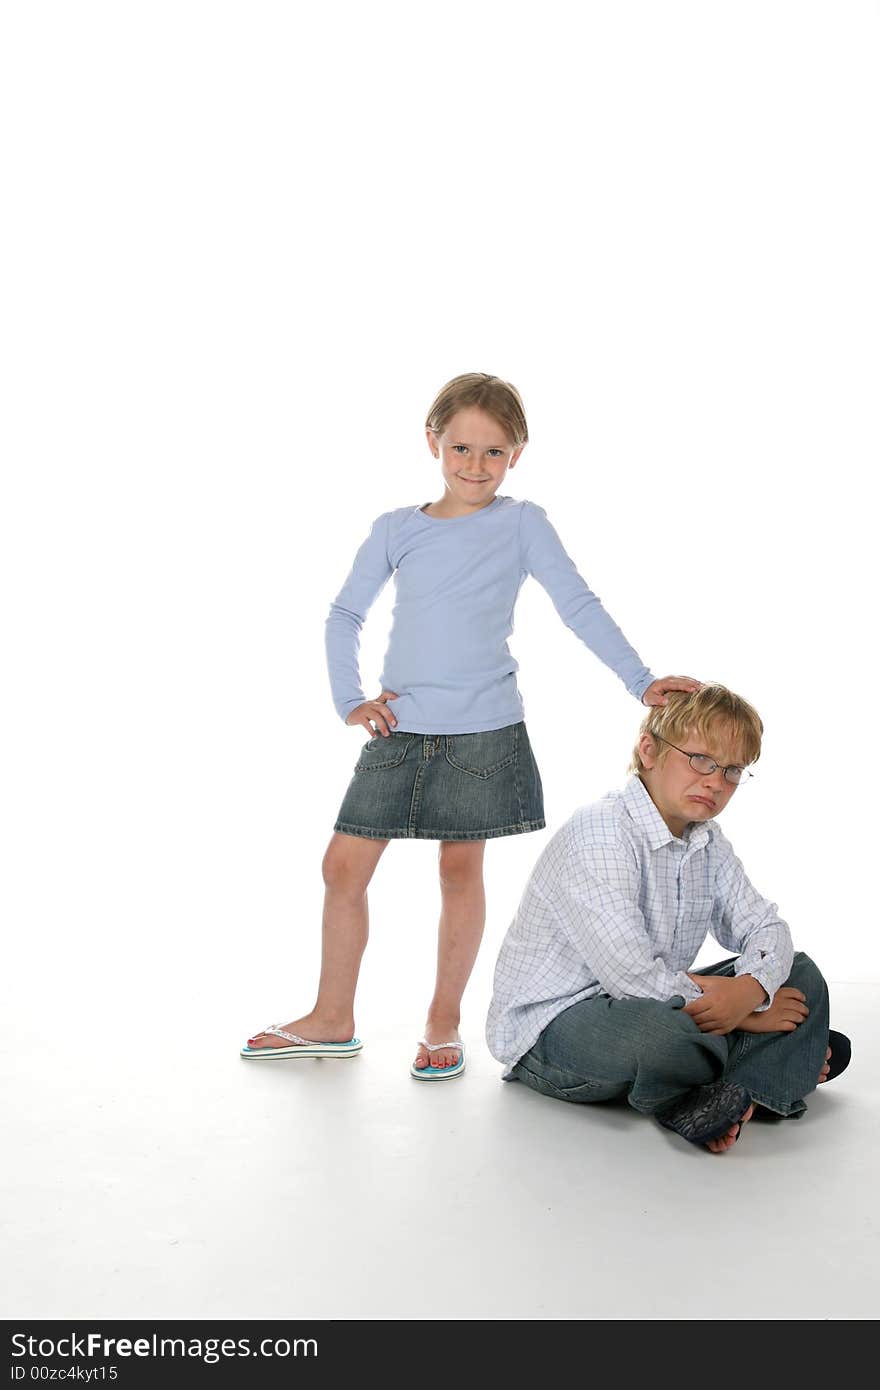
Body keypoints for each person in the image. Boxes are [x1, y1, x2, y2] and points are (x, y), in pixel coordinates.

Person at [241, 372, 699, 1079]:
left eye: (493, 451)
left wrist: (641, 681)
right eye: (461, 447)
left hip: (484, 731)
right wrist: (350, 699)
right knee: (342, 867)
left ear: (516, 453)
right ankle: (332, 1018)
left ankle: (443, 1019)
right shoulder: (397, 529)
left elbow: (577, 604)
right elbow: (344, 615)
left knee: (460, 868)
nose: (475, 466)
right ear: (433, 441)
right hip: (400, 731)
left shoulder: (521, 523)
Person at [486, 684, 851, 1149]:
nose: (716, 782)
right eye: (700, 759)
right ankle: (777, 1065)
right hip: (558, 1025)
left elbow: (766, 927)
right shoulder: (601, 834)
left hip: (659, 994)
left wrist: (752, 989)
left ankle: (727, 1098)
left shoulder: (707, 841)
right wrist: (745, 1014)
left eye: (732, 770)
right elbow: (632, 977)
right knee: (665, 1037)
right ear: (649, 750)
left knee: (801, 973)